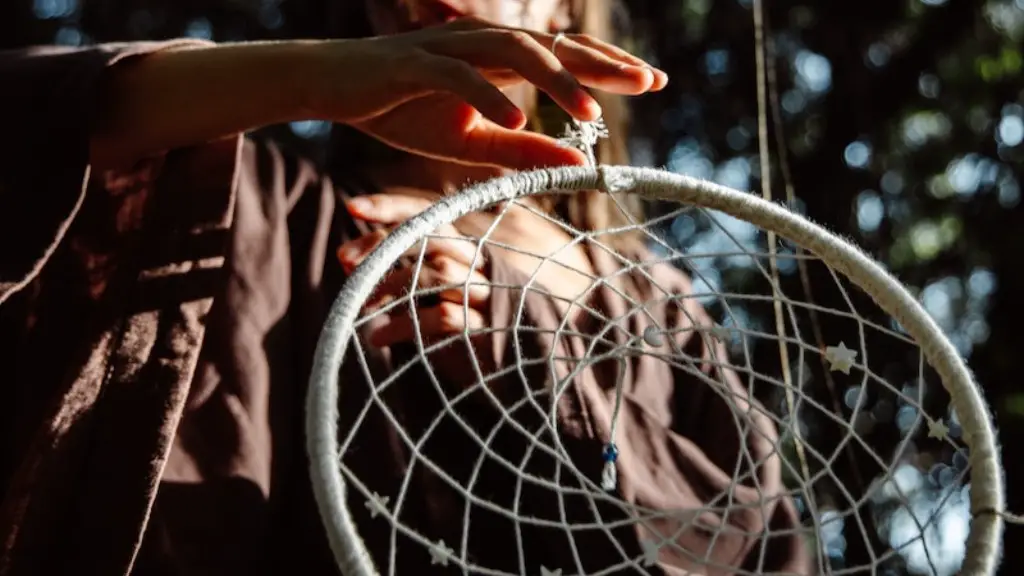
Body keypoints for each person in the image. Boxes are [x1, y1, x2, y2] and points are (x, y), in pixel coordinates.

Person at [0, 1, 811, 574]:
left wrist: (523, 343)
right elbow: (34, 121)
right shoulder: (260, 205)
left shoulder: (651, 296)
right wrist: (313, 80)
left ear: (562, 9)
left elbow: (754, 541)